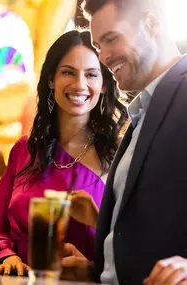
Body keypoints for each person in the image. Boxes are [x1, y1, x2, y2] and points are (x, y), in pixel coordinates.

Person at [0, 30, 127, 276]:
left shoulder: (120, 155)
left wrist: (96, 224)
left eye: (91, 74)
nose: (79, 84)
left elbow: (136, 244)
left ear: (103, 85)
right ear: (51, 80)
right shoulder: (24, 151)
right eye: (68, 72)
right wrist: (8, 256)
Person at [62, 1, 187, 284]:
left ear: (152, 25)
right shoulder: (139, 116)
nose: (104, 56)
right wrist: (98, 270)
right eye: (98, 47)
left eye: (112, 39)